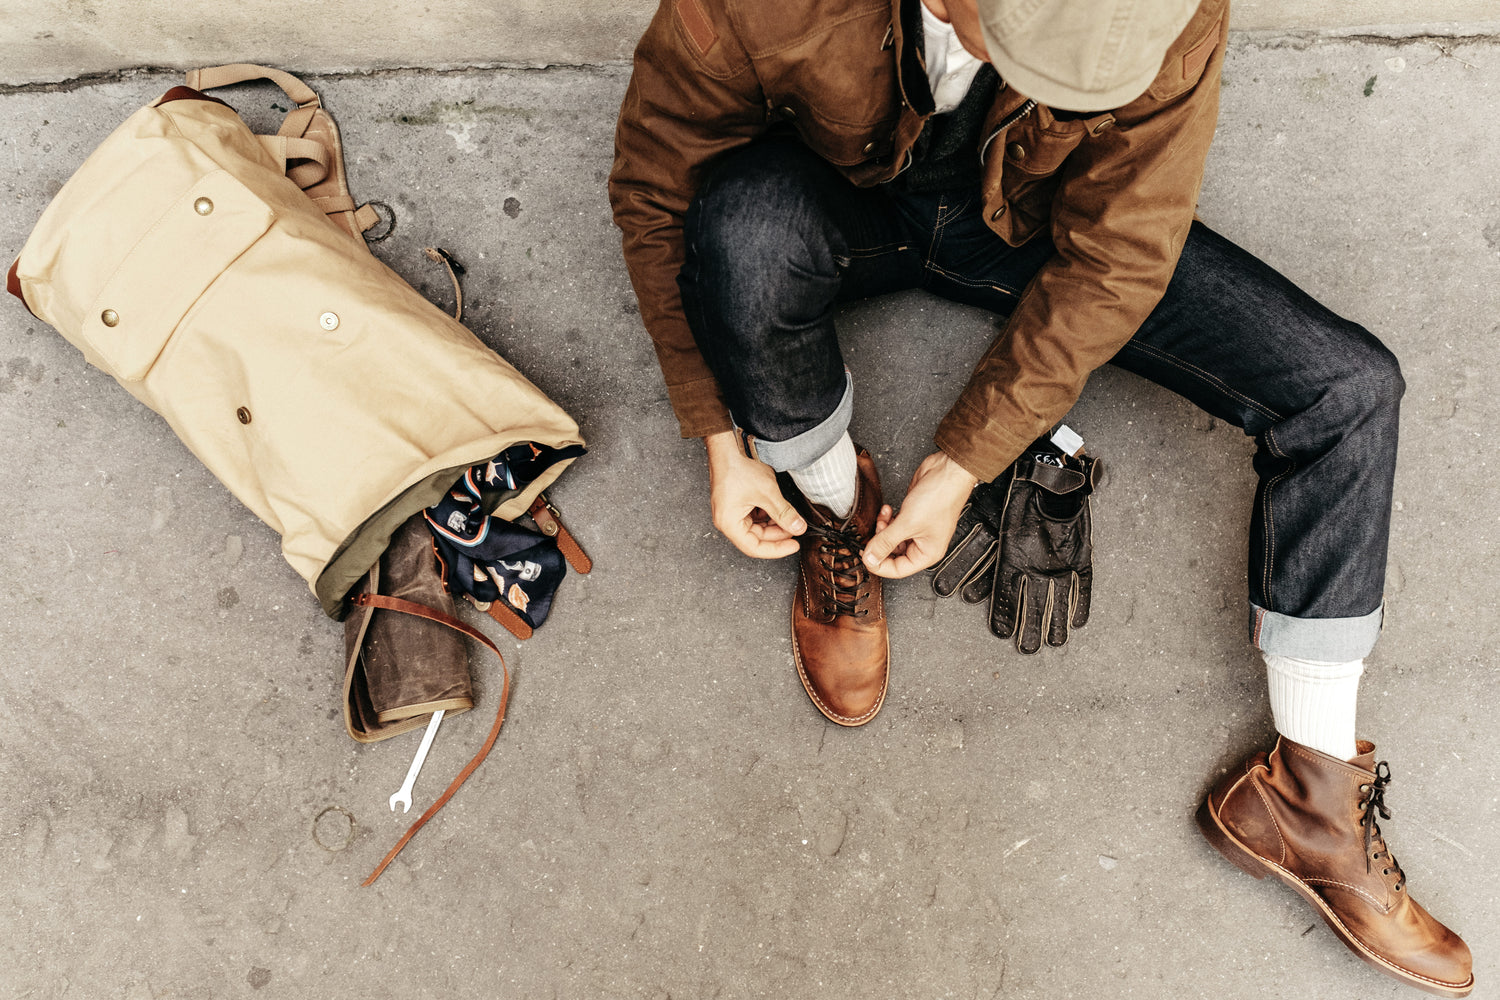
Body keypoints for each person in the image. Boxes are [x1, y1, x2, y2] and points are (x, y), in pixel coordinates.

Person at [607, 0, 1473, 993]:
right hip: (835, 198)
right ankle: (833, 499)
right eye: (1042, 67)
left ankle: (1305, 800)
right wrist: (720, 433)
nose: (1062, 93)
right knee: (740, 226)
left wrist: (966, 459)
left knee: (1350, 388)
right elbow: (656, 191)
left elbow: (1119, 254)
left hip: (1034, 224)